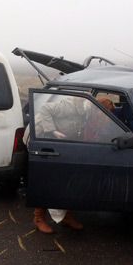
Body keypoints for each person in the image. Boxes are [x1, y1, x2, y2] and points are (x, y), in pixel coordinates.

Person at [30, 95, 89, 234]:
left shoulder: (84, 108)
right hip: (47, 145)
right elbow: (45, 108)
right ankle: (38, 218)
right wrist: (53, 131)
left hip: (65, 146)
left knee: (68, 182)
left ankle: (65, 217)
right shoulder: (66, 106)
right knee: (49, 182)